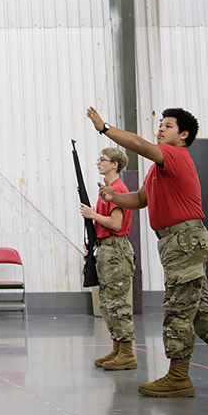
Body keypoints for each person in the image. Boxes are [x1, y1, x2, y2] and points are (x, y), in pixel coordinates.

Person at [89, 106, 208, 397]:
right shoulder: (158, 169)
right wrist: (113, 196)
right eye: (160, 124)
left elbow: (141, 146)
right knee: (199, 310)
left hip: (185, 239)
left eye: (168, 126)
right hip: (175, 242)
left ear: (183, 135)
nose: (160, 129)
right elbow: (140, 199)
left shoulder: (175, 156)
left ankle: (179, 376)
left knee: (178, 308)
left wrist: (104, 128)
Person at [80, 146, 135, 371]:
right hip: (105, 249)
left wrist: (93, 214)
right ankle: (117, 348)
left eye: (102, 159)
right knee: (108, 304)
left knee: (118, 303)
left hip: (116, 251)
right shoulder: (107, 189)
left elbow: (115, 223)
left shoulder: (118, 189)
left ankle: (128, 353)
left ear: (115, 164)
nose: (98, 163)